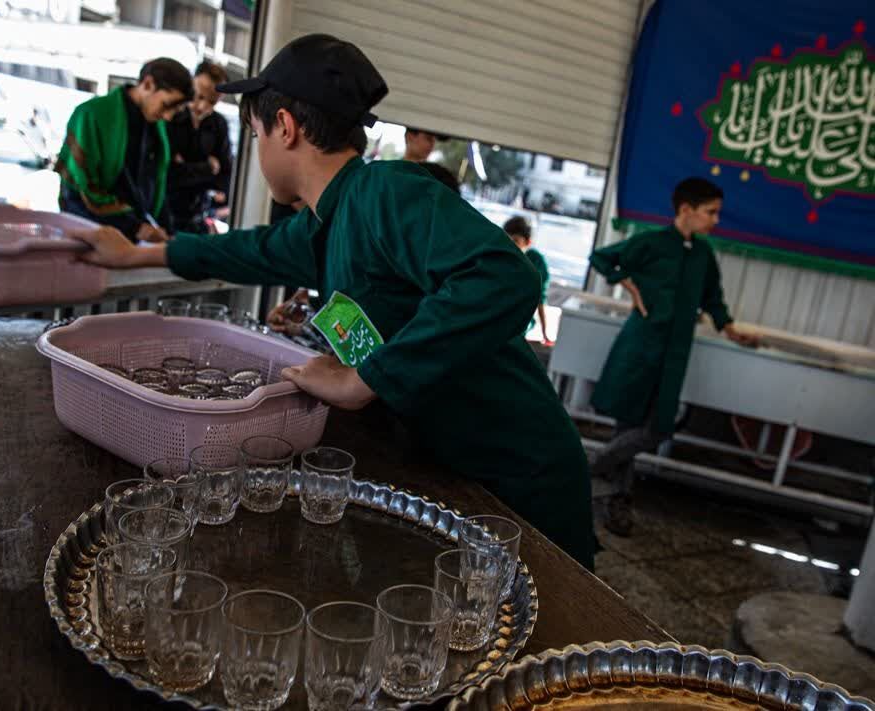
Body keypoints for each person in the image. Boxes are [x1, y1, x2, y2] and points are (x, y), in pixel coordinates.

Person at [69, 33, 595, 570]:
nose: (256, 151)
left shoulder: (383, 193)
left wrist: (364, 379)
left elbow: (505, 274)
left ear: (285, 128)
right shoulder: (330, 221)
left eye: (255, 134)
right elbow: (248, 249)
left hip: (521, 478)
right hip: (455, 464)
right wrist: (134, 255)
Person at [588, 177, 759, 536]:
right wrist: (627, 282)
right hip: (640, 346)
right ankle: (617, 503)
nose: (716, 220)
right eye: (711, 212)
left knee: (657, 427)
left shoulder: (702, 255)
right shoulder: (652, 243)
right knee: (627, 427)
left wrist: (730, 329)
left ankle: (584, 470)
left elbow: (713, 298)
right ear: (686, 209)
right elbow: (602, 258)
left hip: (674, 353)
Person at [56, 58, 192, 243]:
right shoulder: (90, 114)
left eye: (175, 110)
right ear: (148, 84)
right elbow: (82, 191)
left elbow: (153, 186)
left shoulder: (154, 126)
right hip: (87, 234)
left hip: (132, 236)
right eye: (167, 105)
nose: (168, 116)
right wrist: (136, 227)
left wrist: (168, 230)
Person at [167, 61, 233, 233]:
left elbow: (225, 177)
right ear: (191, 84)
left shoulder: (219, 125)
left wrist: (185, 167)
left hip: (199, 214)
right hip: (164, 213)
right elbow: (167, 174)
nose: (203, 106)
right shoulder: (170, 117)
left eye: (212, 102)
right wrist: (208, 167)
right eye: (199, 96)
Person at [503, 216, 551, 344]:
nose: (510, 246)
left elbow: (540, 299)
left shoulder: (535, 261)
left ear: (528, 242)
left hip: (519, 322)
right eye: (506, 240)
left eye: (515, 241)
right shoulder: (500, 257)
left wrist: (545, 332)